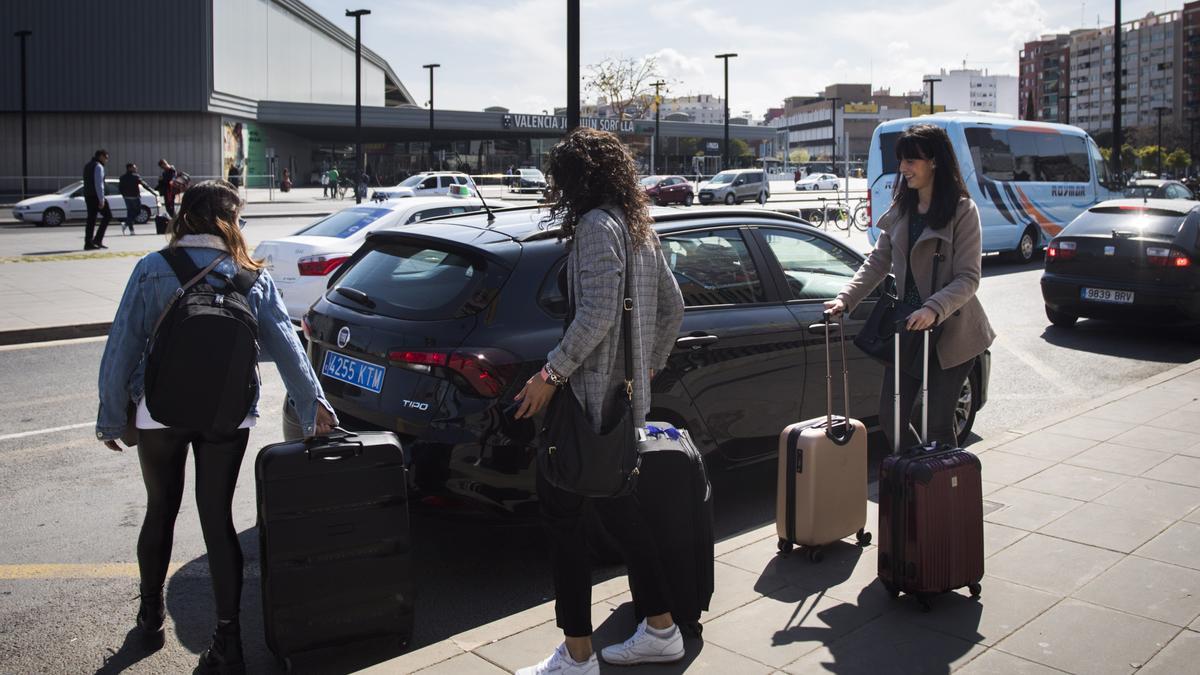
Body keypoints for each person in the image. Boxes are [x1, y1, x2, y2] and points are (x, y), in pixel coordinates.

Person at [94, 180, 338, 673]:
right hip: (228, 412)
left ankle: (149, 620)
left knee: (160, 508)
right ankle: (229, 643)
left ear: (185, 217)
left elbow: (122, 345)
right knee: (216, 518)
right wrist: (314, 407)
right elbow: (289, 350)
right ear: (232, 221)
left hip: (159, 409)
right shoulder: (254, 277)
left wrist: (112, 417)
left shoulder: (151, 268)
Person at [512, 127, 685, 675]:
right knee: (624, 516)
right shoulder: (637, 226)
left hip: (586, 406)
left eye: (560, 178)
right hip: (622, 406)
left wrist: (549, 375)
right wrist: (647, 364)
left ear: (577, 180)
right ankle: (661, 628)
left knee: (564, 520)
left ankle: (578, 654)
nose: (555, 188)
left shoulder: (593, 227)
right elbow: (673, 307)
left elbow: (596, 314)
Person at [826, 123, 995, 448]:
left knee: (937, 424)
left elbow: (969, 277)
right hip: (909, 329)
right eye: (901, 161)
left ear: (934, 161)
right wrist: (845, 300)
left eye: (911, 161)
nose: (903, 169)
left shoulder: (962, 210)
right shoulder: (902, 208)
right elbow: (877, 262)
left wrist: (933, 308)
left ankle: (943, 492)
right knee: (892, 418)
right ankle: (915, 484)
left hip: (952, 333)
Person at [83, 149, 112, 250]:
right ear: (101, 156)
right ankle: (97, 240)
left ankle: (88, 242)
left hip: (88, 195)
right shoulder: (98, 166)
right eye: (106, 158)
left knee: (91, 219)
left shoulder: (88, 165)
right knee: (108, 215)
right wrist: (101, 199)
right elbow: (99, 184)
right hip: (96, 196)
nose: (106, 160)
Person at [118, 163, 153, 235]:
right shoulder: (136, 176)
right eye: (134, 167)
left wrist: (123, 195)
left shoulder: (122, 177)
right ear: (129, 168)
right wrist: (152, 191)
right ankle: (126, 225)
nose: (136, 168)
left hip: (126, 197)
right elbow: (144, 185)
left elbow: (120, 188)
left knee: (130, 213)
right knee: (138, 212)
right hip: (134, 197)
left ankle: (131, 230)